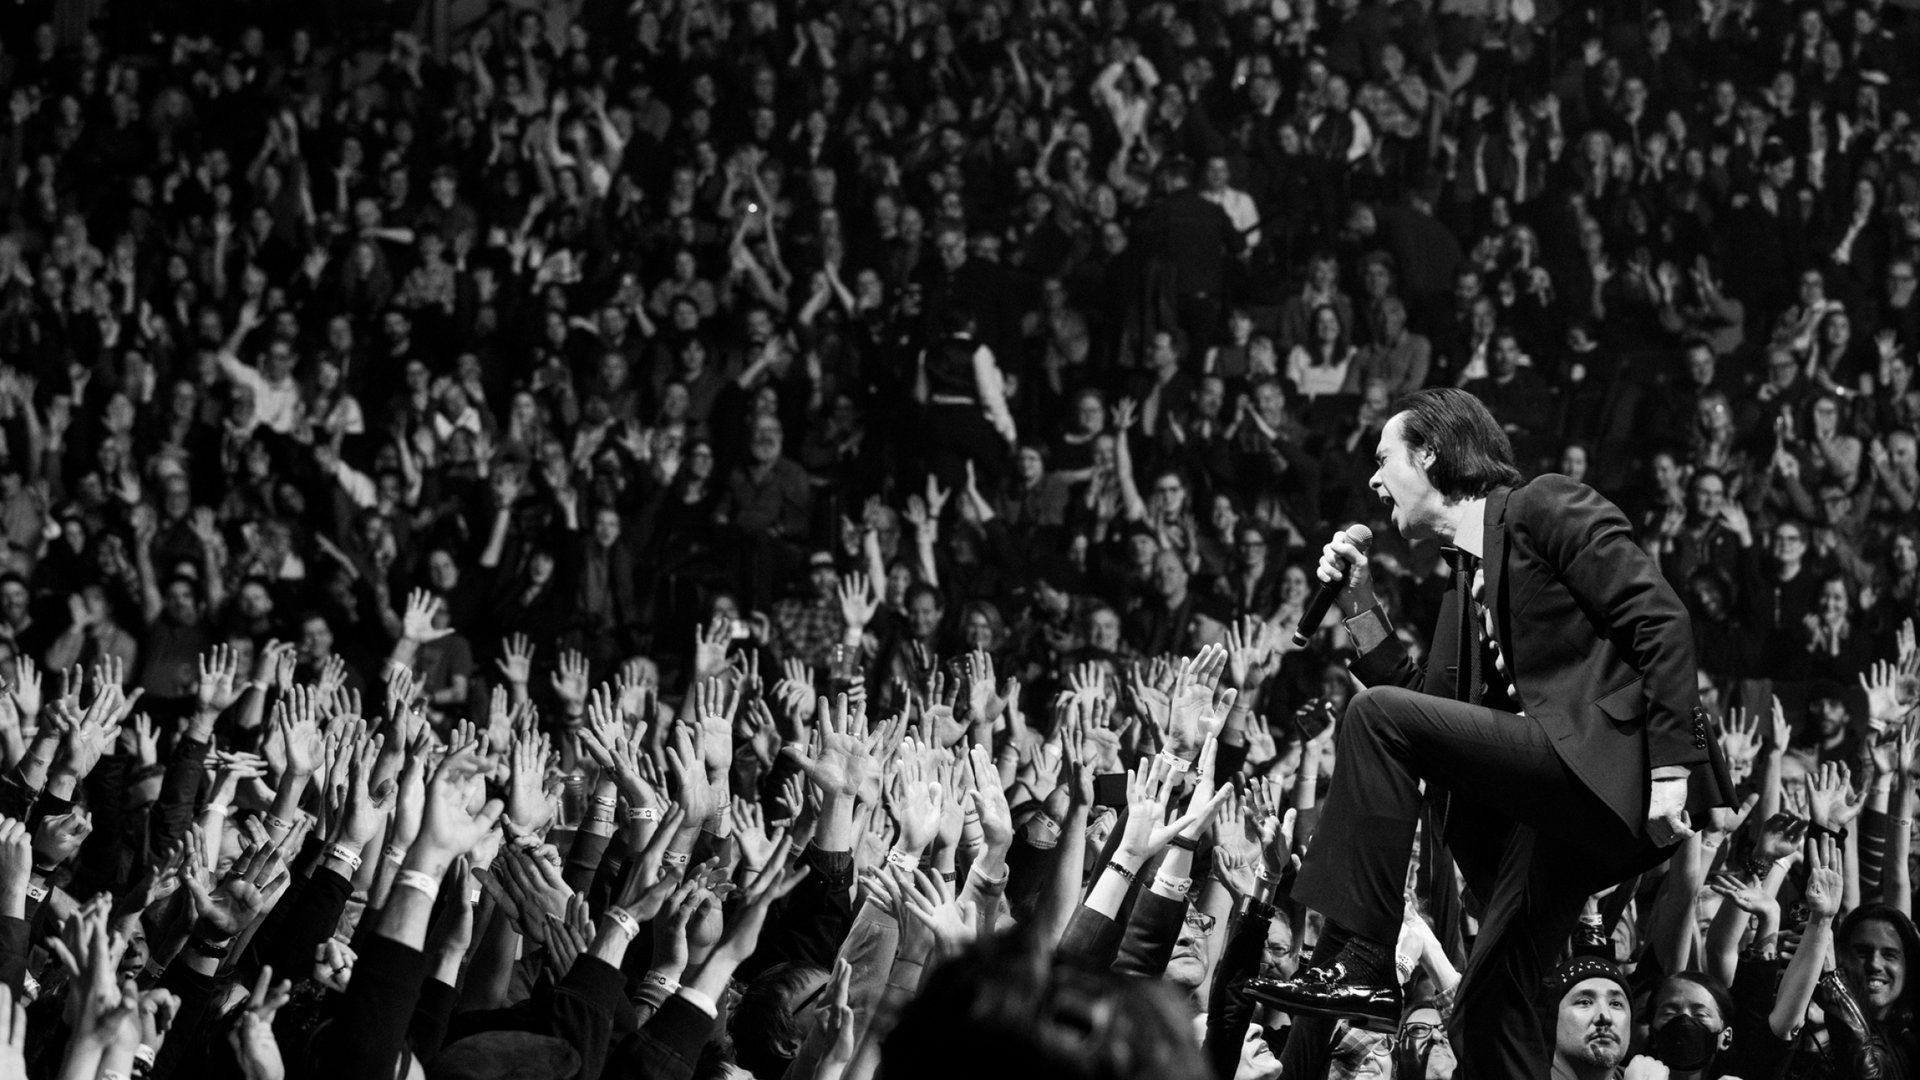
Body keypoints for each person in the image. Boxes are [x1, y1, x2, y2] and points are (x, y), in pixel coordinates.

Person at [1250, 389, 1729, 1078]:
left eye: (1384, 459)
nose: (1375, 481)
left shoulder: (1544, 504)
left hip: (1607, 769)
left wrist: (1671, 771)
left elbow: (1660, 621)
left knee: (1375, 716)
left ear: (1430, 455)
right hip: (1546, 814)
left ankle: (1364, 958)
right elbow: (1425, 711)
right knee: (1486, 1007)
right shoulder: (1463, 581)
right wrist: (1357, 600)